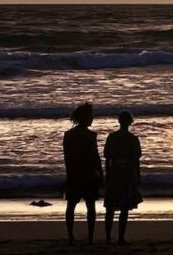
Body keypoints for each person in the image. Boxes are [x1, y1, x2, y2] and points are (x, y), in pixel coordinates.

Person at [63, 102, 103, 245]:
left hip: (74, 174)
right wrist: (101, 174)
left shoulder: (68, 135)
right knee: (90, 206)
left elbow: (67, 158)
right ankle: (91, 238)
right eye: (91, 116)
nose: (92, 118)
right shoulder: (90, 135)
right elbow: (95, 156)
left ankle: (70, 237)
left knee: (71, 206)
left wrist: (69, 176)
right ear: (85, 117)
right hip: (88, 174)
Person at [103, 110, 142, 245]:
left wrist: (107, 175)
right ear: (130, 122)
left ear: (119, 121)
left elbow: (107, 159)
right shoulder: (133, 139)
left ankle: (108, 238)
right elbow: (136, 160)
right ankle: (120, 237)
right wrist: (138, 175)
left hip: (115, 172)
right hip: (126, 173)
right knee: (124, 208)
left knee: (110, 207)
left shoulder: (112, 137)